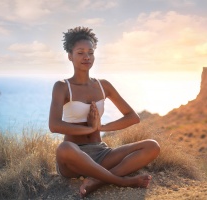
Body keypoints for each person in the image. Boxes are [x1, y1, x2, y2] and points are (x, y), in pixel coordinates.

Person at [49, 26, 160, 198]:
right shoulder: (62, 87)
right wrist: (90, 129)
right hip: (74, 158)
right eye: (80, 53)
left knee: (152, 146)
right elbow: (54, 125)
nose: (86, 57)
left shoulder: (103, 85)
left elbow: (133, 117)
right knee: (64, 148)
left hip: (101, 154)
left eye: (90, 52)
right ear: (70, 56)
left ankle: (97, 181)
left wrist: (101, 128)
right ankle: (122, 181)